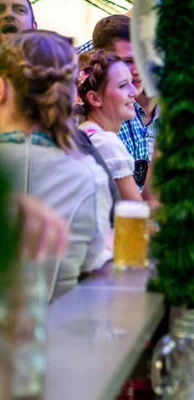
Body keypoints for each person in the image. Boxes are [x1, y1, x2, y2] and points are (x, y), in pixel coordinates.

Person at [0, 30, 112, 295]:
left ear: (2, 88)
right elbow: (92, 267)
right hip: (54, 332)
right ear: (72, 93)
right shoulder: (89, 177)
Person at [76, 50, 143, 202]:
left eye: (131, 83)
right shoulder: (107, 144)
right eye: (123, 85)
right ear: (94, 98)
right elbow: (137, 216)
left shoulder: (83, 132)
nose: (134, 92)